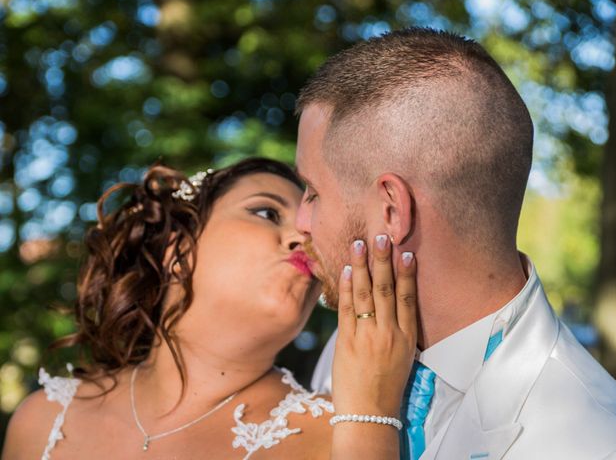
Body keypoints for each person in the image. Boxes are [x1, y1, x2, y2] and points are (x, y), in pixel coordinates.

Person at [296, 27, 616, 460]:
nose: (299, 222)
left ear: (391, 211)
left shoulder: (599, 445)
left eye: (312, 192)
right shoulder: (357, 344)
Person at [1, 157, 418, 460]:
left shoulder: (340, 436)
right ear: (178, 250)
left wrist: (370, 425)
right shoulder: (44, 422)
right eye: (267, 211)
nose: (301, 238)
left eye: (312, 228)